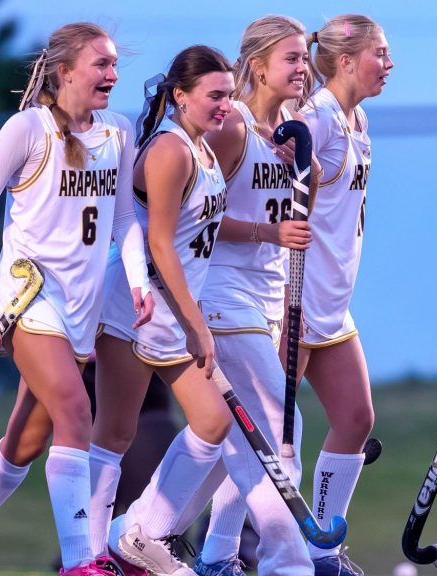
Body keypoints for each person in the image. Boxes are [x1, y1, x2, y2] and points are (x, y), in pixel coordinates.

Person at [0, 22, 153, 576]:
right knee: (77, 411)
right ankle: (82, 561)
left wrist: (138, 279)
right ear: (65, 71)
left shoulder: (118, 131)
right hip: (30, 298)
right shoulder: (28, 130)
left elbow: (123, 217)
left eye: (115, 65)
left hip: (82, 305)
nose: (112, 75)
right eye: (101, 64)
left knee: (26, 437)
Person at [98, 45, 244, 576]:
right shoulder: (170, 150)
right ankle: (87, 553)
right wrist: (197, 324)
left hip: (170, 313)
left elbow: (191, 246)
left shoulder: (203, 150)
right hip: (132, 309)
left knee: (212, 421)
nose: (225, 105)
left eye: (229, 94)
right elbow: (159, 246)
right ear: (180, 96)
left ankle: (138, 532)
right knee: (113, 435)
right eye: (215, 95)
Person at [190, 14, 319, 576]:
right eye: (290, 58)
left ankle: (190, 547)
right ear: (257, 66)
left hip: (267, 298)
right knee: (278, 425)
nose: (301, 67)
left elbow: (294, 219)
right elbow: (195, 216)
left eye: (303, 57)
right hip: (222, 291)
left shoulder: (289, 129)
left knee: (227, 439)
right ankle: (286, 561)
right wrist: (267, 231)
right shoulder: (231, 127)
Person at [287, 14, 393, 574]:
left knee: (355, 418)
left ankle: (321, 550)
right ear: (347, 60)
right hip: (295, 301)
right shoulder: (317, 118)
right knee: (271, 445)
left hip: (332, 303)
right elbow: (272, 194)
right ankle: (214, 551)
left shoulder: (358, 119)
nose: (390, 63)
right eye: (381, 52)